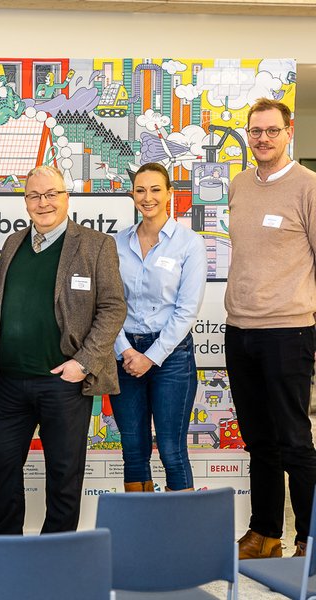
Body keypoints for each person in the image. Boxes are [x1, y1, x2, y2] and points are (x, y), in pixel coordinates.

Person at [0, 165, 125, 536]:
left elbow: (113, 308)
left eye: (51, 194)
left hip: (64, 381)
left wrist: (83, 362)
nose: (43, 203)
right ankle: (8, 543)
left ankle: (55, 550)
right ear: (25, 201)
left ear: (66, 197)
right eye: (34, 195)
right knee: (0, 464)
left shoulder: (95, 245)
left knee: (64, 472)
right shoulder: (13, 243)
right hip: (10, 382)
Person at [224, 97, 316, 560]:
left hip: (289, 331)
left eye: (271, 131)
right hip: (239, 330)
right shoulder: (239, 184)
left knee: (295, 439)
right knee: (259, 441)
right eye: (255, 131)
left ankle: (308, 539)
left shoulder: (308, 187)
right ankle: (265, 533)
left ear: (289, 131)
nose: (262, 138)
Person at [110, 162, 207, 493]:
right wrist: (125, 351)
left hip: (172, 358)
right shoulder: (117, 243)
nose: (147, 197)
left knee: (171, 450)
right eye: (140, 190)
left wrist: (150, 357)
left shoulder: (189, 243)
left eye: (155, 189)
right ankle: (142, 537)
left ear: (169, 194)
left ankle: (183, 541)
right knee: (133, 451)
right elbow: (109, 305)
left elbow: (186, 311)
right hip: (125, 356)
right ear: (132, 195)